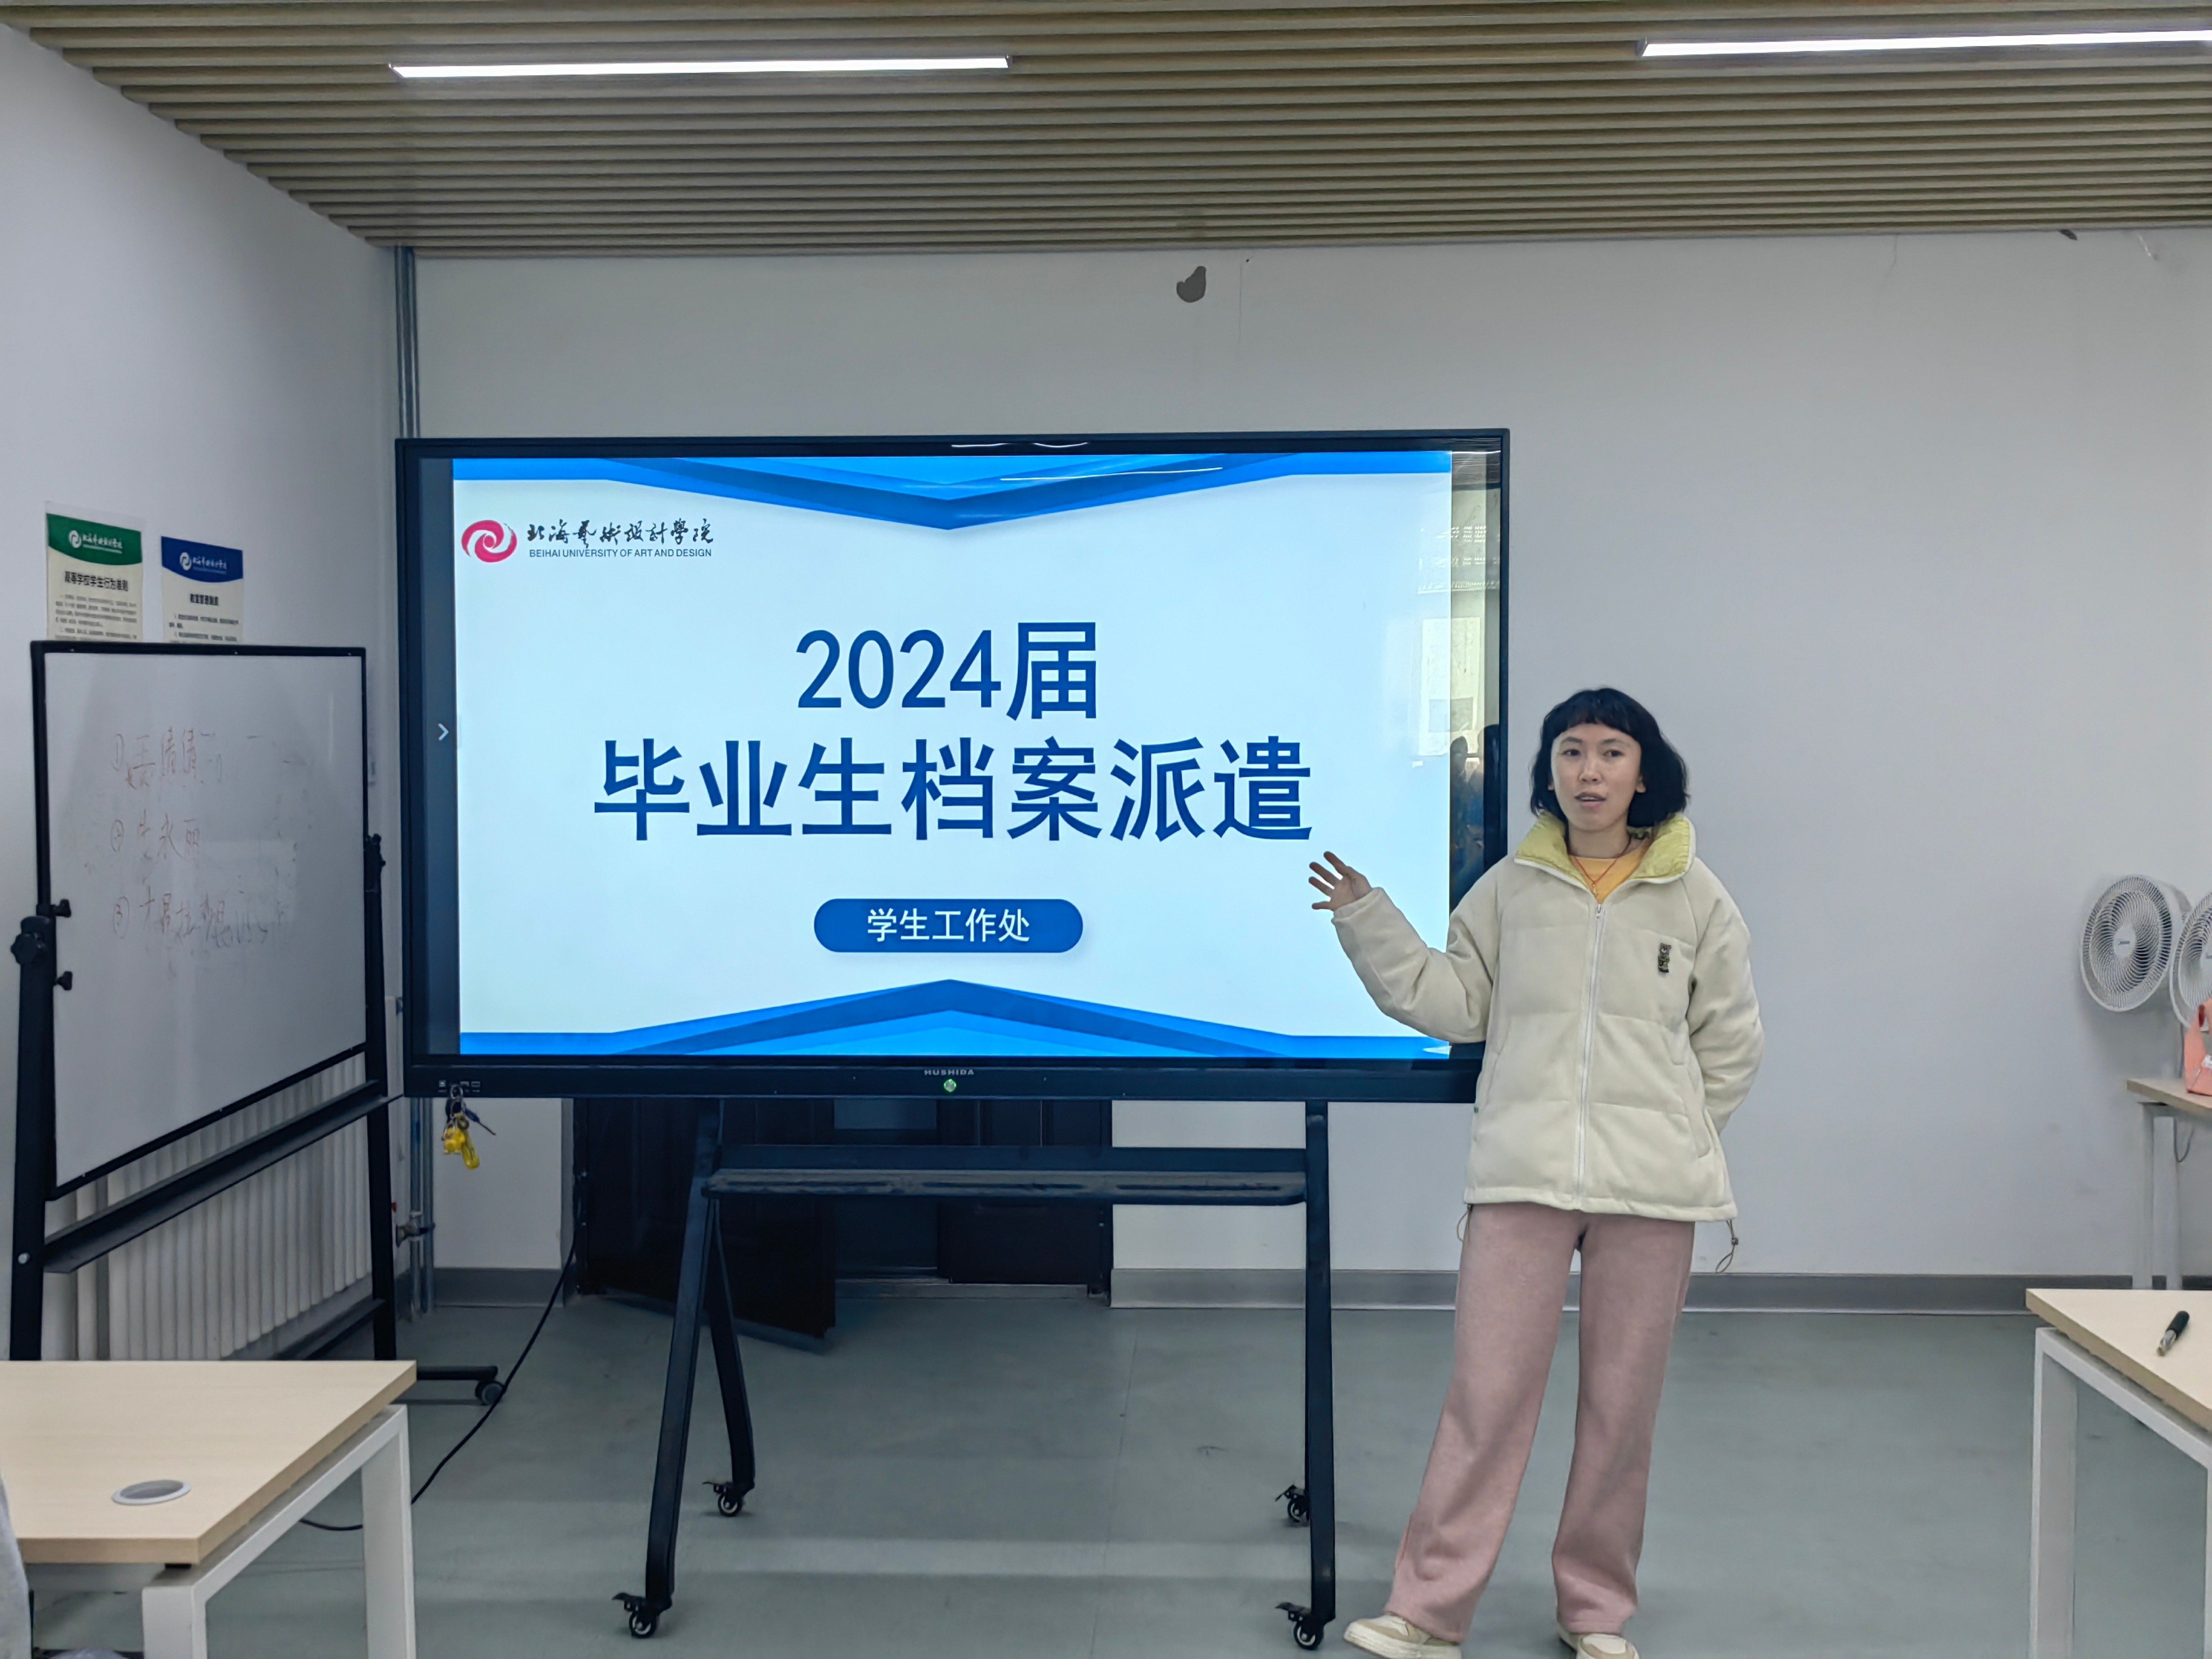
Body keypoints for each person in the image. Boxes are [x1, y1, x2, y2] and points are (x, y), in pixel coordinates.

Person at [1309, 687, 1762, 1659]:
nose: (1589, 771)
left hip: (1653, 1195)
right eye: (1571, 751)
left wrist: (1679, 1134)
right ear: (1550, 770)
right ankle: (1428, 1614)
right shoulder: (1512, 888)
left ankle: (1595, 1613)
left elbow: (1732, 1041)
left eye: (1610, 752)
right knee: (1486, 1399)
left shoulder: (1697, 896)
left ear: (1645, 771)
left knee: (1622, 1413)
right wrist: (1369, 920)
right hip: (1522, 1180)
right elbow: (1452, 1001)